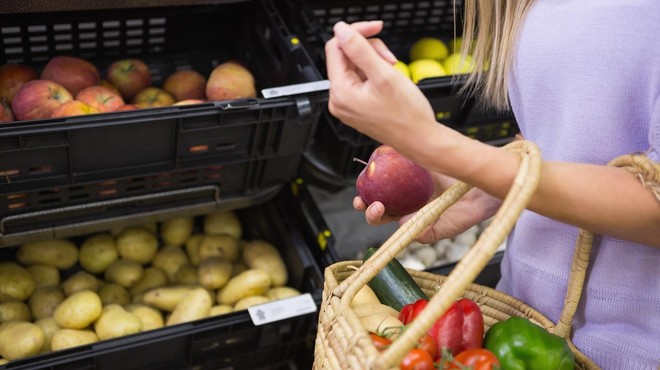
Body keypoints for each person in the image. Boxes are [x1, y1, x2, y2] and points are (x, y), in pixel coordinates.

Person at [323, 0, 660, 368]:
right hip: (514, 324)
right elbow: (572, 137)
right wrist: (483, 188)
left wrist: (434, 143)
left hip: (630, 348)